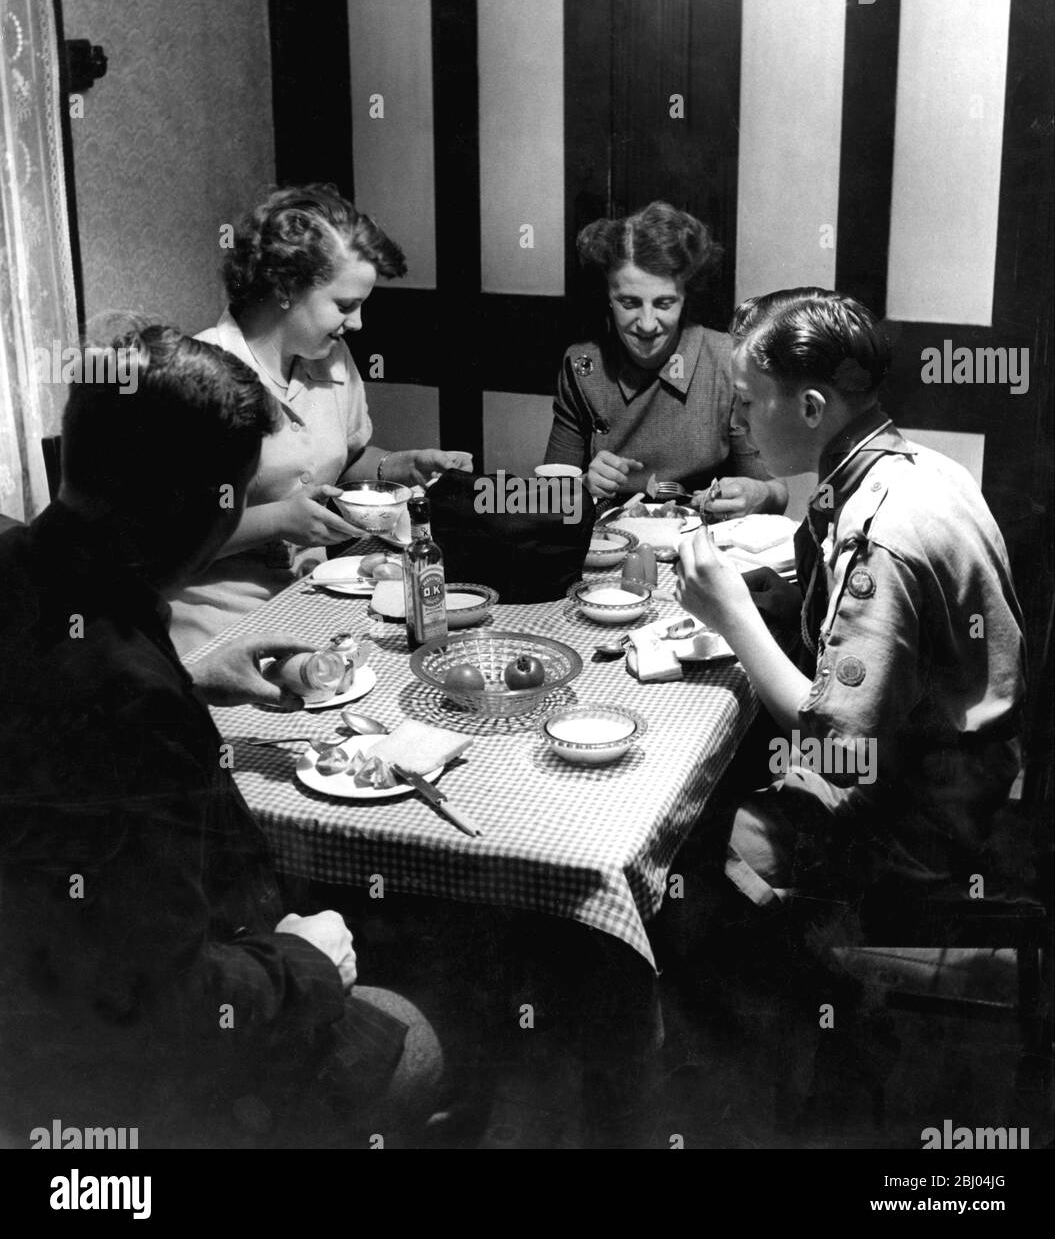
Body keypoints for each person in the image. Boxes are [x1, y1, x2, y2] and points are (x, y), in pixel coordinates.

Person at [0, 327, 448, 1148]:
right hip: (111, 1093)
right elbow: (169, 1010)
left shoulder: (20, 565)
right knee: (418, 1033)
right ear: (195, 508)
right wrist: (307, 961)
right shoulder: (127, 708)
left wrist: (196, 670)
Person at [673, 288, 1026, 923]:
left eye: (749, 402)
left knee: (685, 851)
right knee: (718, 777)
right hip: (970, 773)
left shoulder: (879, 532)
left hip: (924, 820)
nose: (741, 419)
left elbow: (836, 749)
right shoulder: (919, 465)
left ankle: (790, 1008)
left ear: (811, 407)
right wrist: (788, 601)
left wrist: (733, 616)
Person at [166, 184, 471, 655]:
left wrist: (401, 465)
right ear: (287, 288)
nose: (358, 323)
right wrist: (276, 521)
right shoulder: (196, 377)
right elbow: (165, 539)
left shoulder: (331, 357)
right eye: (345, 306)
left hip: (311, 602)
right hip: (214, 630)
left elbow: (345, 458)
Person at [543, 201, 788, 516]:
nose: (646, 323)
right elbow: (547, 500)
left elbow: (777, 493)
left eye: (664, 303)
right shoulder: (582, 366)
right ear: (608, 296)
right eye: (629, 302)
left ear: (685, 298)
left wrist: (761, 494)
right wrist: (584, 486)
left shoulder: (727, 360)